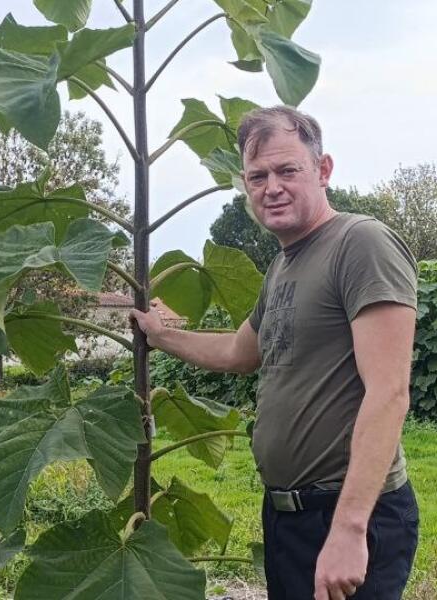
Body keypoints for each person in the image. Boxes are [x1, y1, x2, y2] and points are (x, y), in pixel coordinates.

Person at [130, 106, 419, 600]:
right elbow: (241, 352)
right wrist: (161, 336)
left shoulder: (360, 244)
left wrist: (349, 530)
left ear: (323, 170)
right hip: (288, 516)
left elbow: (389, 392)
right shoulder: (283, 266)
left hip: (350, 513)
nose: (272, 187)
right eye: (257, 176)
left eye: (288, 170)